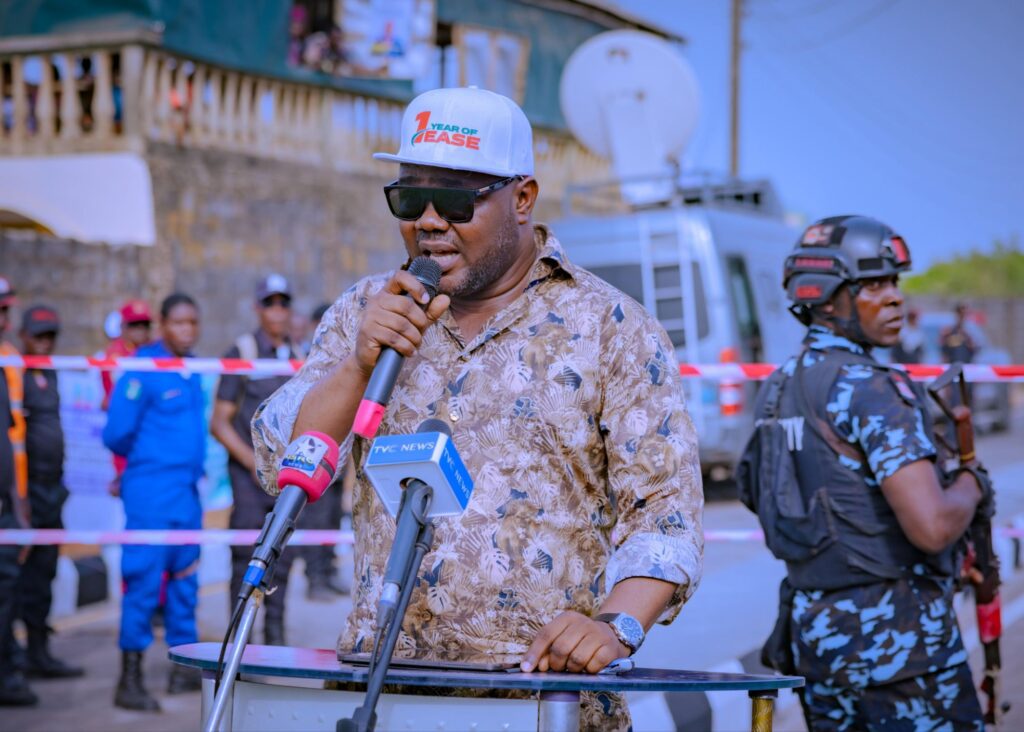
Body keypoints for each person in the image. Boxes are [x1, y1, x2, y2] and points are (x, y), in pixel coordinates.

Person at [251, 87, 703, 729]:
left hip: (545, 702)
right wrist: (358, 364)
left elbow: (666, 512)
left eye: (457, 199)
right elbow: (281, 462)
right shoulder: (364, 312)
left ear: (522, 198)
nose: (430, 221)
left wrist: (615, 624)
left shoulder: (611, 327)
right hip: (384, 695)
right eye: (410, 199)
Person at [737, 216, 986, 730]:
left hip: (819, 646)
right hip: (902, 650)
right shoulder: (871, 388)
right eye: (873, 285)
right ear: (826, 298)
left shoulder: (777, 388)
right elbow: (933, 526)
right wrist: (972, 483)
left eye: (894, 282)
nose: (894, 297)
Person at [103, 293, 206, 711]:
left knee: (185, 580)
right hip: (150, 493)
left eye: (193, 323)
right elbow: (115, 434)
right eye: (179, 322)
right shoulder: (142, 368)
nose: (187, 330)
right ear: (162, 324)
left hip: (186, 495)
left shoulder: (191, 369)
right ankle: (129, 680)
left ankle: (183, 669)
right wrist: (148, 463)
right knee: (144, 582)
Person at [211, 275, 304, 643]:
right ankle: (239, 646)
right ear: (257, 308)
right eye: (270, 303)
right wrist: (253, 462)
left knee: (283, 558)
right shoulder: (241, 352)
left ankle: (275, 643)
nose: (277, 311)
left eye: (283, 303)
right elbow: (219, 423)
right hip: (248, 480)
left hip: (287, 479)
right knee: (245, 558)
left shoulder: (299, 356)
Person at [13, 307, 83, 679]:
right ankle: (14, 657)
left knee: (45, 571)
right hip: (26, 490)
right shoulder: (15, 373)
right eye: (38, 335)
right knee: (18, 575)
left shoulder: (50, 372)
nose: (45, 342)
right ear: (23, 335)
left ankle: (38, 651)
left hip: (53, 487)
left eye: (50, 336)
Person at [0, 279, 37, 707]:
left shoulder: (9, 360)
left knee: (9, 588)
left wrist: (18, 501)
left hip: (10, 498)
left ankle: (11, 668)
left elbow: (12, 442)